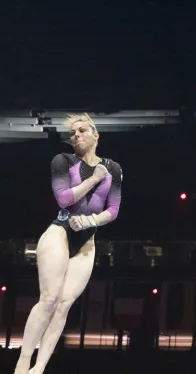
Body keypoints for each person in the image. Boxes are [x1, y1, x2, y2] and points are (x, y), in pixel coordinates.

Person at [15, 113, 123, 374]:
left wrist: (89, 222)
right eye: (73, 133)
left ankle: (39, 367)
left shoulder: (113, 168)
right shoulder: (62, 161)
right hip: (60, 232)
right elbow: (64, 199)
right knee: (49, 298)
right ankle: (23, 361)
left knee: (64, 305)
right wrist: (94, 179)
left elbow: (114, 209)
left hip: (87, 241)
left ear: (96, 135)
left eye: (82, 131)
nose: (77, 136)